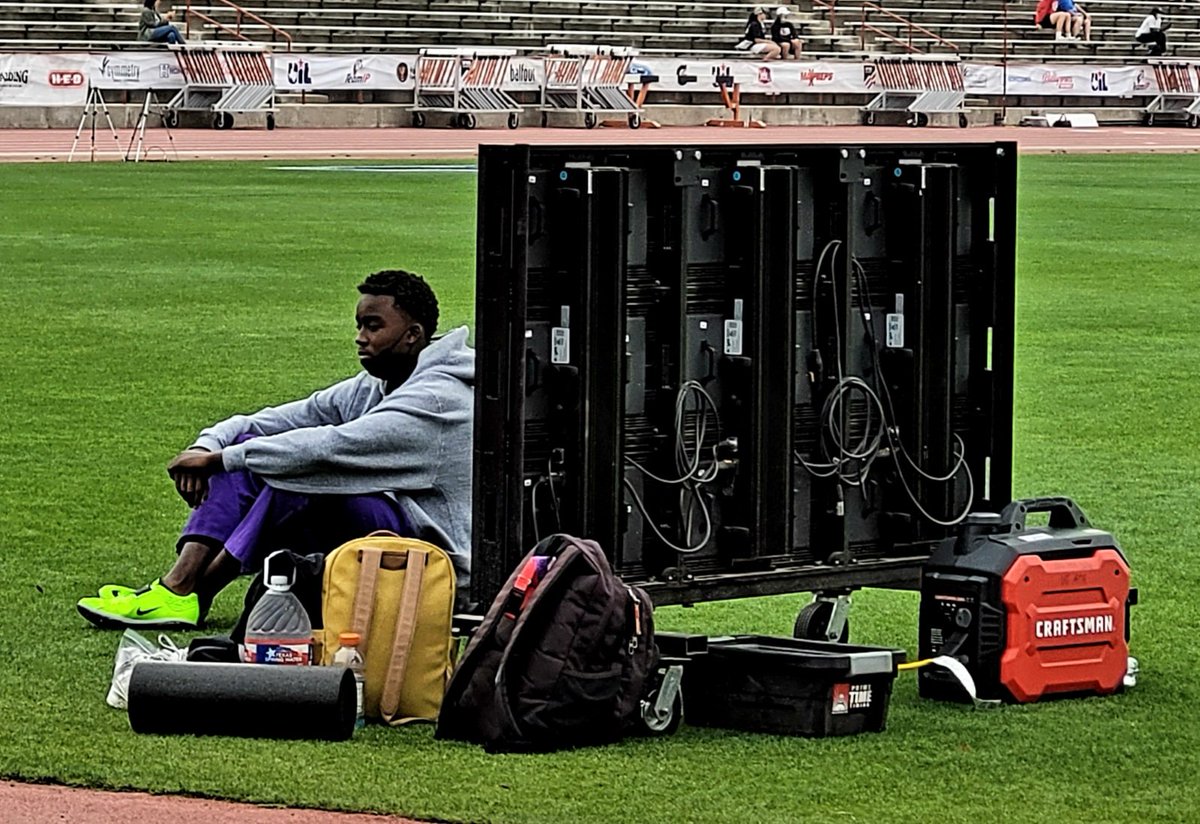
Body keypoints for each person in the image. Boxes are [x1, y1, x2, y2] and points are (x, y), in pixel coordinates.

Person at [77, 270, 475, 629]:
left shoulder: (437, 400)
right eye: (358, 325)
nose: (360, 337)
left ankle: (191, 592)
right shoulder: (380, 382)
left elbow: (330, 449)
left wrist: (221, 461)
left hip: (433, 559)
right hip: (385, 532)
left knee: (298, 476)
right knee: (255, 449)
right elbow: (277, 420)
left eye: (373, 326)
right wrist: (210, 445)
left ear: (413, 334)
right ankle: (176, 587)